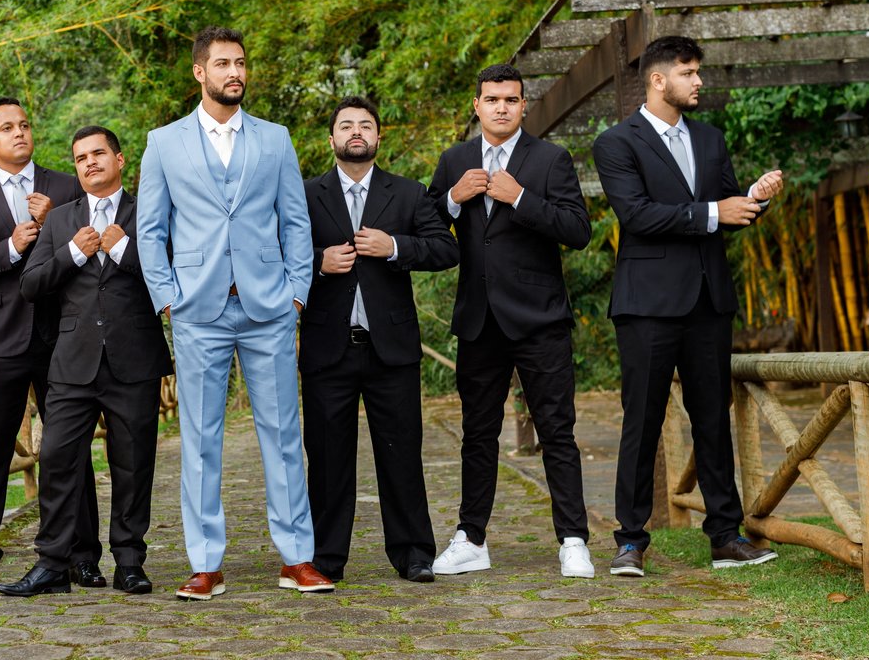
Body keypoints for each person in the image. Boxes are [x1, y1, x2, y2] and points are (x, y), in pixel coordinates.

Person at [137, 26, 334, 600]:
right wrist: (167, 297)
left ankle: (297, 558)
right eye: (223, 64)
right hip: (197, 308)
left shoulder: (275, 138)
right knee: (200, 439)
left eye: (241, 63)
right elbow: (150, 229)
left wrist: (296, 292)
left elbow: (295, 221)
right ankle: (205, 563)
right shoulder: (163, 143)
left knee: (283, 433)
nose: (235, 73)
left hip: (269, 305)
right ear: (200, 72)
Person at [592, 35, 784, 576]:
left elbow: (729, 213)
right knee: (642, 422)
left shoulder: (711, 139)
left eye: (698, 71)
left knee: (712, 421)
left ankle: (725, 537)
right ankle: (630, 541)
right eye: (688, 72)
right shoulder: (616, 143)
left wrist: (755, 199)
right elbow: (637, 215)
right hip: (647, 304)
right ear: (658, 80)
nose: (698, 81)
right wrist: (715, 212)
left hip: (708, 301)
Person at [427, 64, 594, 579]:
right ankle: (471, 539)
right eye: (492, 99)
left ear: (524, 105)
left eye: (511, 99)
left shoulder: (550, 159)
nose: (501, 107)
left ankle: (573, 540)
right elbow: (426, 225)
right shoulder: (454, 160)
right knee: (477, 434)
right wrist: (453, 199)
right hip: (479, 320)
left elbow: (578, 229)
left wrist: (519, 197)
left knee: (557, 431)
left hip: (540, 319)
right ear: (476, 106)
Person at [0, 126, 173, 597]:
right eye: (80, 158)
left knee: (132, 464)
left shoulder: (150, 211)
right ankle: (53, 564)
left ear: (120, 159)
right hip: (73, 362)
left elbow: (172, 276)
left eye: (98, 153)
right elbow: (31, 286)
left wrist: (123, 248)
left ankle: (129, 562)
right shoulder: (60, 221)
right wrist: (74, 252)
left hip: (134, 358)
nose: (90, 162)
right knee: (57, 460)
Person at [0, 97, 101, 587]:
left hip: (62, 337)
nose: (19, 133)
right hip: (0, 339)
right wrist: (10, 248)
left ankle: (82, 554)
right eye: (7, 127)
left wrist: (57, 222)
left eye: (25, 125)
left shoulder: (67, 186)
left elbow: (97, 247)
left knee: (70, 450)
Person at [300, 96, 458, 584]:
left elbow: (445, 248)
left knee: (402, 453)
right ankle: (326, 558)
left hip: (391, 348)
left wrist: (395, 247)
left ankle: (413, 553)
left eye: (365, 125)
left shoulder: (408, 193)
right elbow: (274, 251)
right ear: (331, 138)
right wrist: (318, 262)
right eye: (346, 125)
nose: (356, 132)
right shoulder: (304, 194)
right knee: (327, 459)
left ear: (378, 137)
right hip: (328, 348)